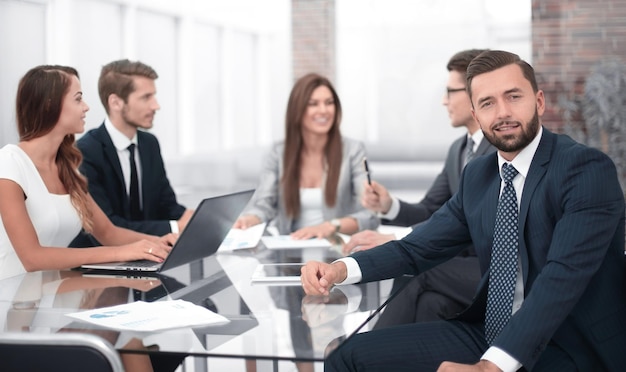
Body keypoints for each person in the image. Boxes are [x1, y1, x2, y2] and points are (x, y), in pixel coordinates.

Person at [301, 50, 626, 371]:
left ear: (539, 102)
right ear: (476, 113)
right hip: (490, 334)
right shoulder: (479, 175)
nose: (502, 113)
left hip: (568, 343)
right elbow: (417, 248)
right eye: (487, 103)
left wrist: (490, 366)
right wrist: (340, 269)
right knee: (347, 356)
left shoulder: (584, 169)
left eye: (513, 96)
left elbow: (561, 278)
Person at [344, 49, 496, 326]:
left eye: (450, 92)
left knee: (418, 269)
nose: (443, 101)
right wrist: (389, 205)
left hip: (492, 268)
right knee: (431, 305)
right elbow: (430, 210)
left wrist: (404, 243)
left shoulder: (500, 150)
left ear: (476, 92)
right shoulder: (458, 150)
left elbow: (473, 227)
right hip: (460, 269)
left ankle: (364, 354)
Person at [0, 65, 174, 281]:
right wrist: (122, 252)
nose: (86, 107)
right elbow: (32, 258)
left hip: (51, 296)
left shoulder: (67, 169)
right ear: (49, 105)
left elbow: (109, 233)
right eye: (78, 99)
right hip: (11, 301)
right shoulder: (9, 164)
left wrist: (159, 243)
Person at [234, 73, 379, 238]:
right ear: (297, 109)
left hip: (339, 251)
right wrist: (248, 220)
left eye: (329, 103)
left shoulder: (353, 150)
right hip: (290, 250)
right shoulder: (278, 153)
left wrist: (330, 227)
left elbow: (370, 214)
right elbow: (264, 205)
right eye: (313, 104)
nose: (323, 110)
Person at [70, 59, 193, 248]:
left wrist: (215, 221)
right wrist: (176, 227)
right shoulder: (86, 151)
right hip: (100, 264)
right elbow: (109, 227)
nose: (156, 106)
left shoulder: (149, 144)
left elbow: (168, 206)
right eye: (146, 97)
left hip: (149, 256)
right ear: (116, 102)